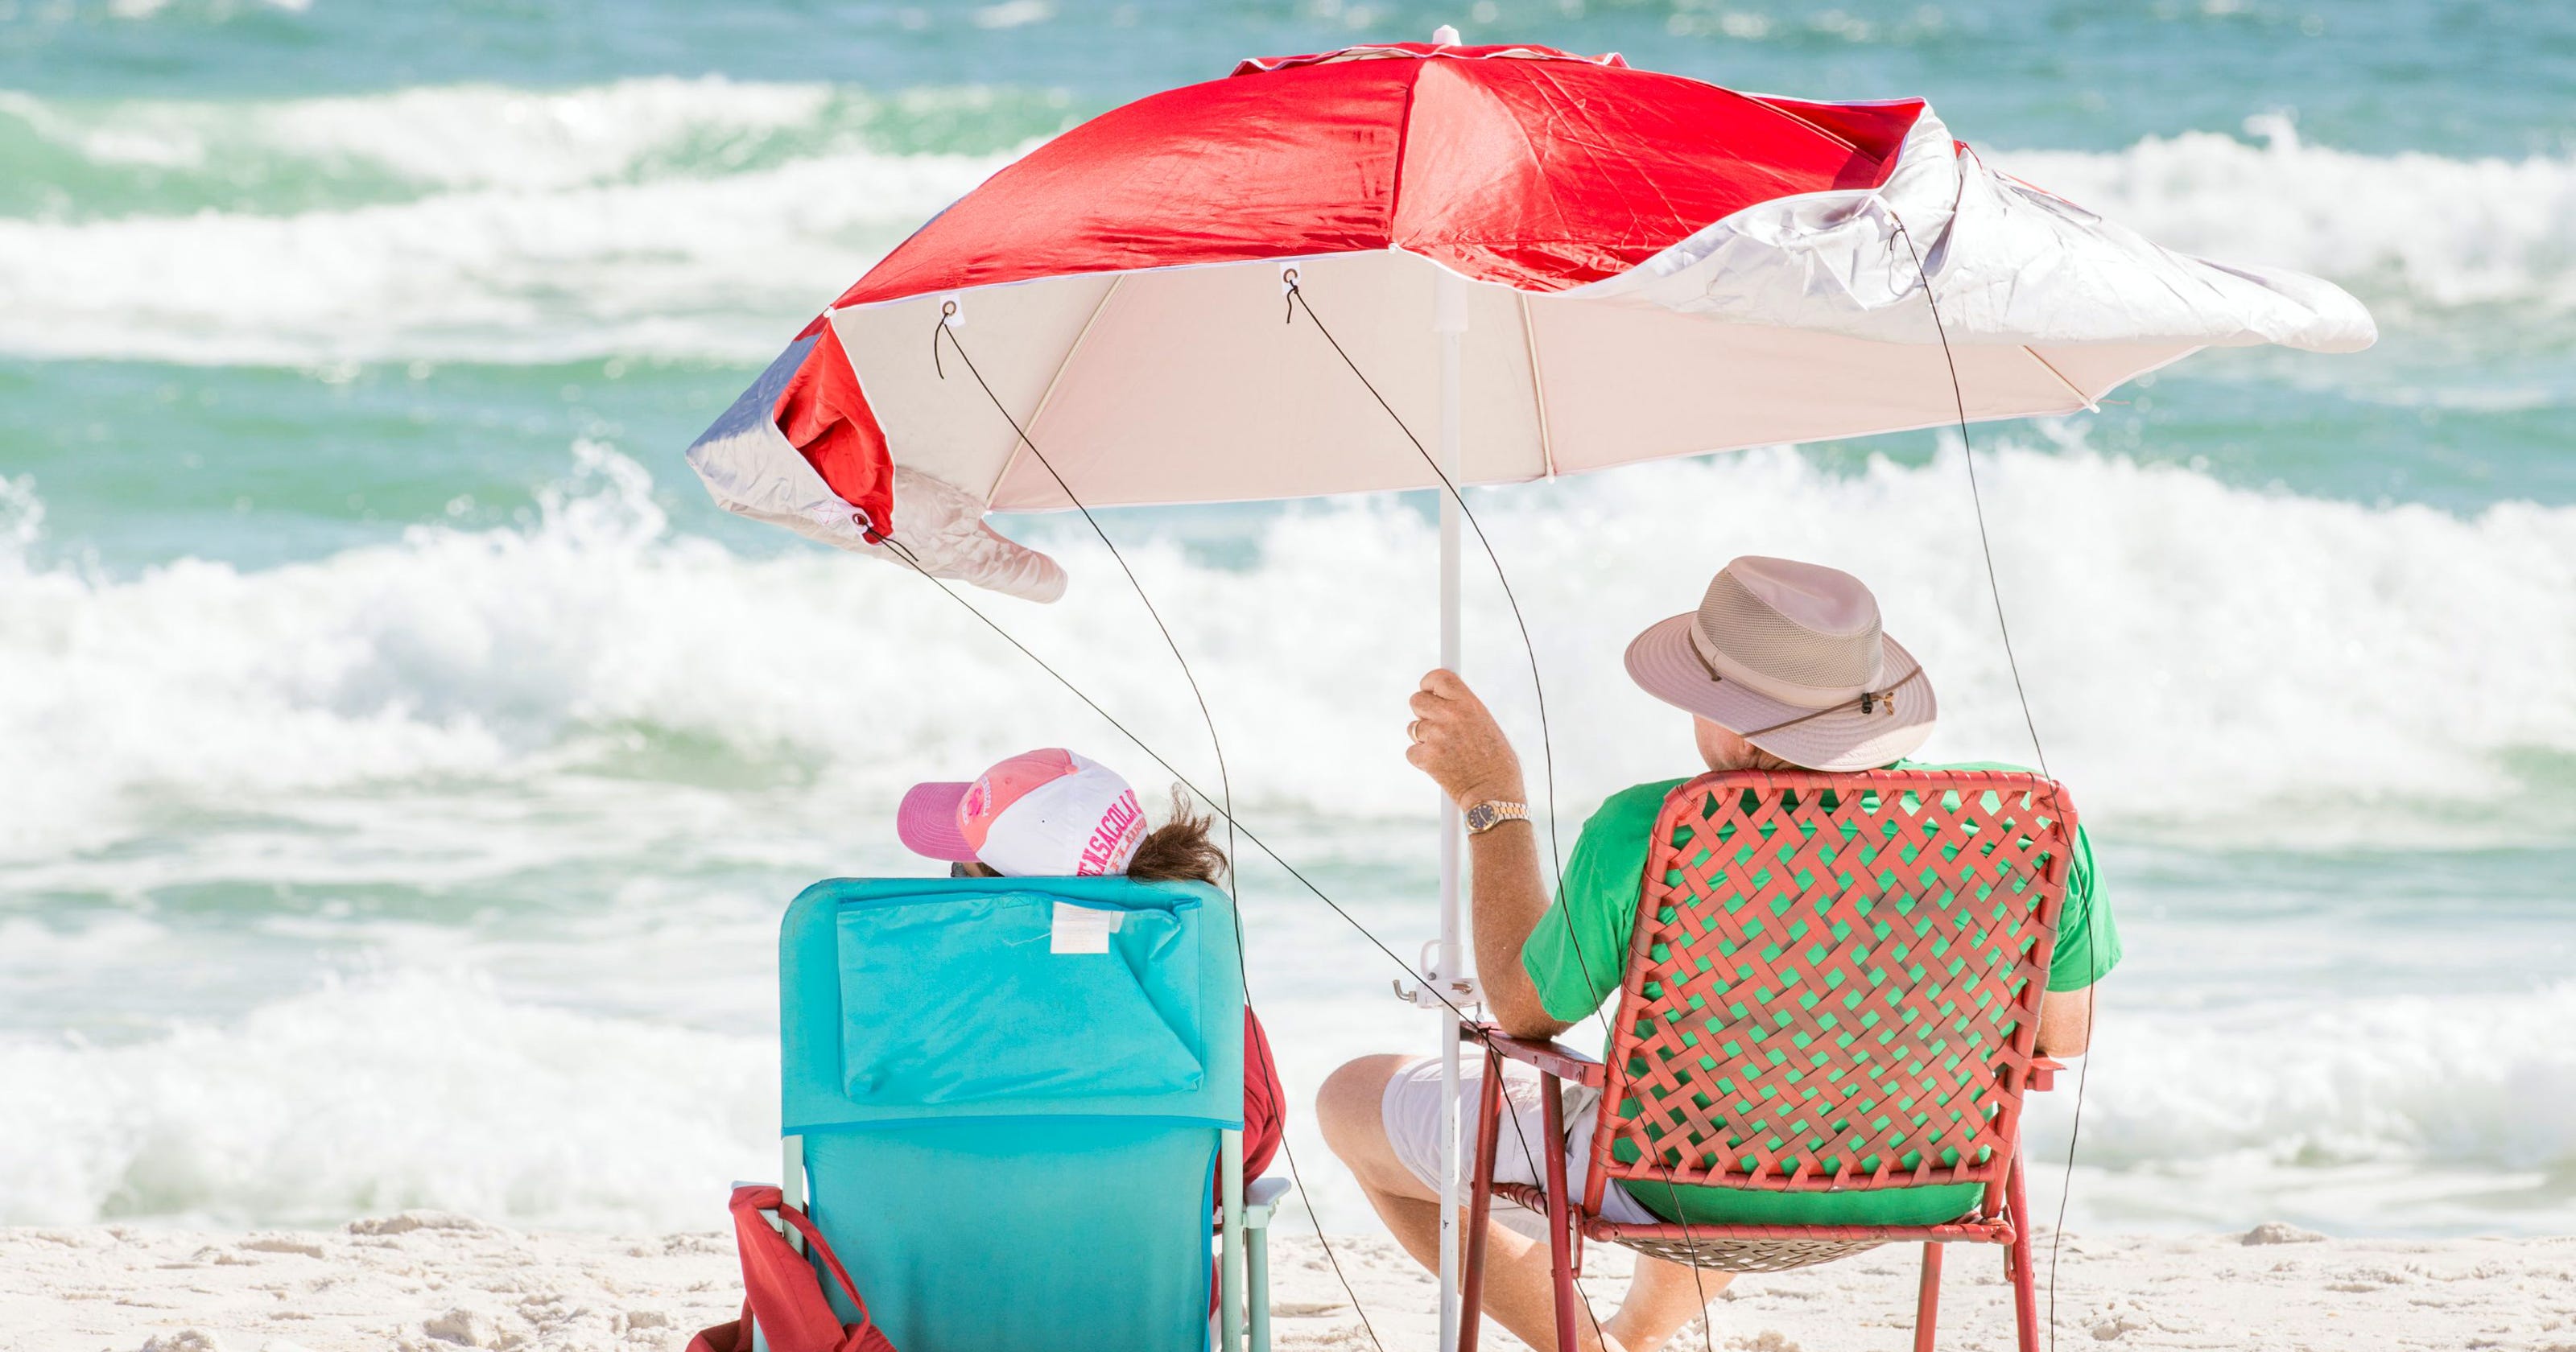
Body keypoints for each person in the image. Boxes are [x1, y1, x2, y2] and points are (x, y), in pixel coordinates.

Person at [1317, 557, 2120, 1352]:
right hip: (1926, 1180)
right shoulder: (2025, 823)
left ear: (1733, 725)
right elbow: (2060, 1039)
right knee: (1742, 1092)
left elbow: (1523, 1010)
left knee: (1349, 1098)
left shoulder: (1650, 828)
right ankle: (1630, 1340)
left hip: (1675, 1178)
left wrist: (1493, 803)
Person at [894, 747, 1284, 1184]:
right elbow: (1232, 1170)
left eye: (959, 873)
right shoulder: (1217, 1029)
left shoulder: (912, 1015)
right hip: (1142, 1247)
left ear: (1006, 900)